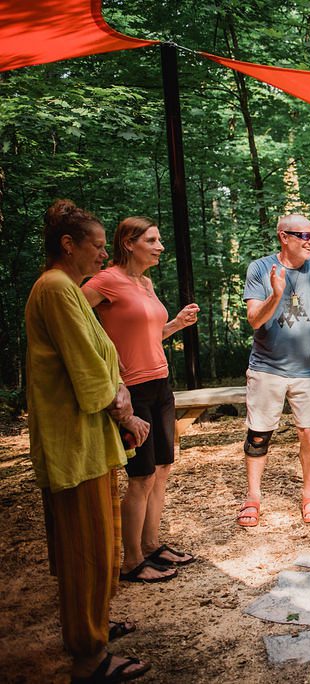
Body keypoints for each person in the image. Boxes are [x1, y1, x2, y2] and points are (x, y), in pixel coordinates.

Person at [26, 199, 152, 682]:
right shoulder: (55, 289)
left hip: (88, 440)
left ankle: (95, 624)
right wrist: (126, 412)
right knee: (85, 550)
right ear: (68, 245)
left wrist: (118, 388)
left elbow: (101, 359)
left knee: (101, 541)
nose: (103, 256)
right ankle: (89, 656)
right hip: (72, 443)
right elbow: (88, 370)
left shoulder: (69, 288)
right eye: (97, 247)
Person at [83, 217, 200, 582]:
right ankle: (131, 561)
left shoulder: (145, 283)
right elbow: (72, 322)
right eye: (152, 240)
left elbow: (147, 337)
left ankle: (151, 545)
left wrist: (176, 325)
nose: (160, 246)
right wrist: (105, 364)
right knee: (141, 476)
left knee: (162, 470)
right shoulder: (105, 281)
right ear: (129, 243)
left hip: (161, 385)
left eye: (160, 239)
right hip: (130, 392)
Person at [237, 214, 310, 527]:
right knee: (259, 435)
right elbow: (255, 320)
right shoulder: (261, 268)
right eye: (303, 235)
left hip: (308, 368)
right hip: (266, 366)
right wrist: (275, 293)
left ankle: (309, 495)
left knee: (309, 432)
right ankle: (253, 498)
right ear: (283, 237)